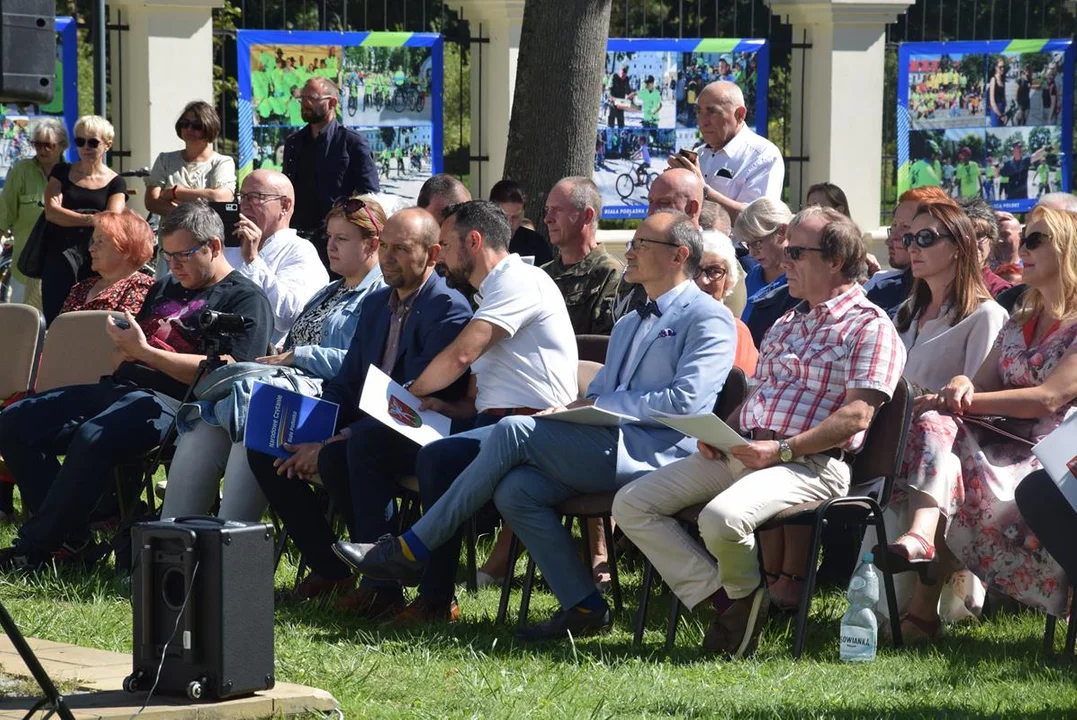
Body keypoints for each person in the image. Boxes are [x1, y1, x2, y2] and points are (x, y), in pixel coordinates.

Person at [334, 212, 736, 640]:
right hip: (601, 440)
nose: (630, 252)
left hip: (658, 452)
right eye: (632, 243)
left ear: (679, 256)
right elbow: (598, 389)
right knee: (516, 490)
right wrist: (574, 409)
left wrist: (600, 404)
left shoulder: (709, 317)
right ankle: (583, 606)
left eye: (641, 245)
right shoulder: (630, 321)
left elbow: (686, 402)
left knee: (511, 431)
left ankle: (413, 549)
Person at [613, 206, 905, 658]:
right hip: (747, 451)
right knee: (631, 504)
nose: (783, 260)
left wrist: (782, 450)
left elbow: (856, 418)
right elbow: (760, 397)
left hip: (812, 465)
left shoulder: (869, 326)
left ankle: (738, 607)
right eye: (786, 251)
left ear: (835, 260)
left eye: (796, 252)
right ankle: (730, 598)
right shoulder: (788, 322)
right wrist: (721, 431)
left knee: (721, 520)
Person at [335, 200, 580, 623]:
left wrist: (405, 394)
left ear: (474, 241)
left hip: (533, 428)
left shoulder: (520, 280)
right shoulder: (490, 291)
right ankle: (385, 584)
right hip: (494, 421)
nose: (441, 254)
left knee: (437, 458)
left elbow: (463, 355)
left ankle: (428, 589)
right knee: (367, 447)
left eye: (445, 244)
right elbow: (484, 389)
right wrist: (447, 405)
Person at [0, 201, 273, 570]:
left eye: (183, 256)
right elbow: (129, 349)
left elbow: (229, 372)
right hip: (120, 386)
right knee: (14, 422)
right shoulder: (165, 287)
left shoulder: (244, 298)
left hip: (180, 404)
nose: (173, 265)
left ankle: (36, 548)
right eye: (168, 255)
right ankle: (69, 539)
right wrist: (128, 352)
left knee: (94, 435)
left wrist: (145, 353)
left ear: (214, 247)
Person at [242, 209, 473, 618]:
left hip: (426, 429)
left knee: (351, 450)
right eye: (385, 246)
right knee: (267, 442)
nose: (387, 257)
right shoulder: (377, 305)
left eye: (401, 249)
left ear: (433, 253)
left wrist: (332, 440)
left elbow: (410, 395)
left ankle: (382, 583)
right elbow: (348, 382)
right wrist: (315, 427)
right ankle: (332, 567)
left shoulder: (448, 308)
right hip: (371, 426)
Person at [873, 205, 1077, 640]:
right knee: (939, 440)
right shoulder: (1021, 319)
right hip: (993, 446)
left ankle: (921, 595)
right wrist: (962, 384)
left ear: (1067, 249)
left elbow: (1049, 398)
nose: (1023, 247)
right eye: (1024, 237)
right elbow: (978, 381)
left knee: (940, 436)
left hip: (1047, 461)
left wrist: (965, 396)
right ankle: (921, 579)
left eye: (1036, 239)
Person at [160, 196, 388, 522]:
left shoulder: (381, 295)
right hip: (290, 394)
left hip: (336, 403)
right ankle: (169, 544)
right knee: (207, 422)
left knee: (256, 418)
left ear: (372, 244)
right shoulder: (329, 290)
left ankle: (231, 547)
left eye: (342, 239)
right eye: (330, 237)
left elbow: (367, 364)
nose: (330, 246)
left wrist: (298, 355)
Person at [282, 77, 380, 269]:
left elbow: (370, 196)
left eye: (311, 98)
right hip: (297, 241)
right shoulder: (293, 143)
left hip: (335, 245)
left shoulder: (352, 143)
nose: (305, 103)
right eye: (302, 98)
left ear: (332, 102)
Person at [40, 115, 127, 325]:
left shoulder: (116, 182)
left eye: (93, 142)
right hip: (58, 255)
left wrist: (69, 215)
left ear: (108, 144)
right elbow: (51, 213)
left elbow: (111, 220)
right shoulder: (61, 171)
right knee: (56, 319)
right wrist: (92, 217)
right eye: (80, 141)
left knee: (91, 319)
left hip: (95, 259)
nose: (85, 147)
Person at [230, 169, 329, 345]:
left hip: (259, 361)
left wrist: (253, 261)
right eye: (242, 196)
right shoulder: (230, 245)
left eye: (255, 197)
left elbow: (288, 318)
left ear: (285, 205)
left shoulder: (300, 251)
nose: (244, 205)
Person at [668, 81, 783, 223]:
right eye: (699, 111)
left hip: (735, 245)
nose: (702, 122)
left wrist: (702, 190)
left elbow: (757, 221)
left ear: (740, 114)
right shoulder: (699, 153)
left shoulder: (763, 155)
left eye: (712, 112)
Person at [611, 169, 705, 322]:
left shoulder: (716, 264)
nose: (651, 211)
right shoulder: (638, 258)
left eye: (663, 203)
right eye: (650, 202)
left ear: (692, 208)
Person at [0, 118, 67, 309]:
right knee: (21, 325)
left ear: (62, 145)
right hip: (25, 264)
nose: (42, 150)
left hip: (60, 266)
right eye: (37, 144)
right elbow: (5, 212)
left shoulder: (72, 173)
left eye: (48, 145)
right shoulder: (21, 170)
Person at [540, 177, 621, 335]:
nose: (547, 219)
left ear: (587, 216)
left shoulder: (611, 274)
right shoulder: (542, 274)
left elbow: (604, 344)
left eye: (557, 210)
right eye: (547, 210)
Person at [144, 101, 236, 223]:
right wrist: (187, 217)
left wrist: (175, 192)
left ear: (209, 126)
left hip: (208, 236)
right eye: (185, 123)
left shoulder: (222, 162)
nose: (189, 129)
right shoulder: (165, 160)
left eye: (196, 125)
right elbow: (152, 202)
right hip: (171, 237)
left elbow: (221, 198)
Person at [866, 186, 951, 317]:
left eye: (906, 227)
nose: (890, 240)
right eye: (894, 226)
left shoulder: (973, 307)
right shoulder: (882, 289)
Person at [59, 210, 154, 315]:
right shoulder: (82, 287)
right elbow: (60, 327)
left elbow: (123, 328)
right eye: (93, 241)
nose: (91, 248)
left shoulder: (140, 286)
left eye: (100, 241)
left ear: (126, 249)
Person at [695, 230, 757, 375]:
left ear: (728, 282)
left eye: (715, 271)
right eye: (695, 270)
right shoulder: (662, 323)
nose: (703, 280)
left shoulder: (736, 332)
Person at [738, 197, 797, 346]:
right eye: (748, 244)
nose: (752, 253)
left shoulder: (800, 280)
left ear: (783, 231)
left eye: (757, 242)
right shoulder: (752, 276)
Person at [956, 196, 1013, 298]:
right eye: (964, 236)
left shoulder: (1002, 292)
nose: (973, 244)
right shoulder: (934, 290)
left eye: (979, 236)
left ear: (991, 241)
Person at [490, 179, 552, 266]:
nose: (509, 223)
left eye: (515, 217)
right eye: (504, 216)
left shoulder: (536, 243)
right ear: (492, 212)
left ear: (523, 214)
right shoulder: (479, 241)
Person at [607, 64, 631, 128]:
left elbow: (628, 91)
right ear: (619, 71)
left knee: (621, 124)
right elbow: (608, 89)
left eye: (624, 75)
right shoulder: (614, 76)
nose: (623, 76)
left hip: (621, 104)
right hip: (612, 103)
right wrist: (611, 97)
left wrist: (630, 96)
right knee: (611, 124)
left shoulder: (626, 79)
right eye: (622, 74)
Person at [987, 57, 1007, 127]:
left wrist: (1005, 107)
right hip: (995, 111)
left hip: (1002, 110)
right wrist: (1000, 115)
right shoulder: (993, 80)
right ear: (996, 67)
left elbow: (1004, 96)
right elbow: (992, 101)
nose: (1002, 69)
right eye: (1000, 67)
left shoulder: (1002, 80)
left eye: (1003, 66)